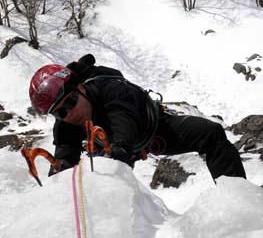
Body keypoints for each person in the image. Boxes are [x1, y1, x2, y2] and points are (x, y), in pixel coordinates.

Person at [29, 54, 246, 181]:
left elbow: (123, 116)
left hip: (152, 130)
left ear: (81, 89)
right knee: (103, 179)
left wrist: (121, 147)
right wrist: (59, 176)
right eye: (60, 112)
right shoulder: (65, 124)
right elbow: (66, 155)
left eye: (71, 102)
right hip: (112, 147)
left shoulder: (111, 88)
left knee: (211, 133)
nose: (70, 113)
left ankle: (239, 199)